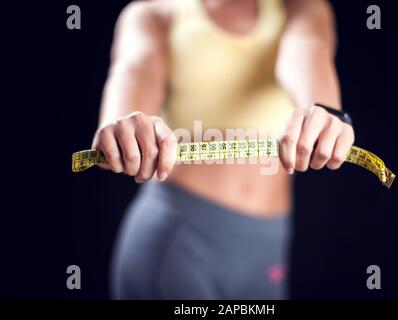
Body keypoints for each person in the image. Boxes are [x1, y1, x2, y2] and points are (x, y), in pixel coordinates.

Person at [92, 0, 355, 299]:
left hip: (267, 246)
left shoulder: (301, 7)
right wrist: (120, 124)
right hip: (176, 244)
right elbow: (135, 69)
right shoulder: (154, 13)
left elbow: (307, 50)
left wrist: (324, 111)